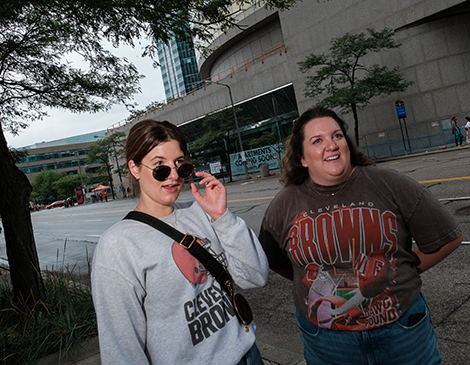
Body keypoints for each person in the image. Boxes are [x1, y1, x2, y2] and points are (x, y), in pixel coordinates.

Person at [259, 107, 463, 364]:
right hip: (328, 342)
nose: (331, 145)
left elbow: (448, 237)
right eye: (317, 140)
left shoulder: (389, 183)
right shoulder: (285, 204)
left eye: (337, 136)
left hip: (402, 333)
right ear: (302, 158)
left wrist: (406, 269)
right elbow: (271, 259)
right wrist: (308, 281)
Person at [91, 119, 269, 365]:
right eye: (160, 167)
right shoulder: (119, 244)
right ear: (134, 168)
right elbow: (121, 348)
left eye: (179, 165)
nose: (174, 176)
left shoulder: (201, 212)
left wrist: (222, 217)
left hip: (248, 356)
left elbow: (255, 276)